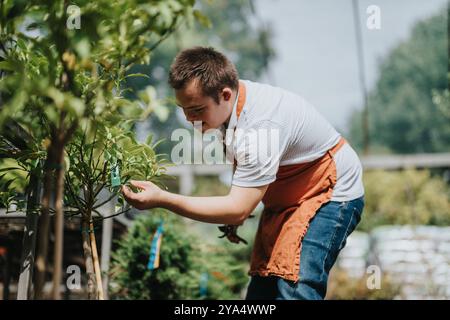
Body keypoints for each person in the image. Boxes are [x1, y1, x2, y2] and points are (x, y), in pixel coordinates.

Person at [121, 46, 365, 300]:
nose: (189, 119)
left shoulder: (261, 126)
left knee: (294, 287)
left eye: (196, 109)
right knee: (263, 291)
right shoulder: (231, 105)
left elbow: (239, 207)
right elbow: (244, 174)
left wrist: (162, 199)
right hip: (286, 200)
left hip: (329, 194)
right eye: (183, 109)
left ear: (225, 94)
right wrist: (234, 211)